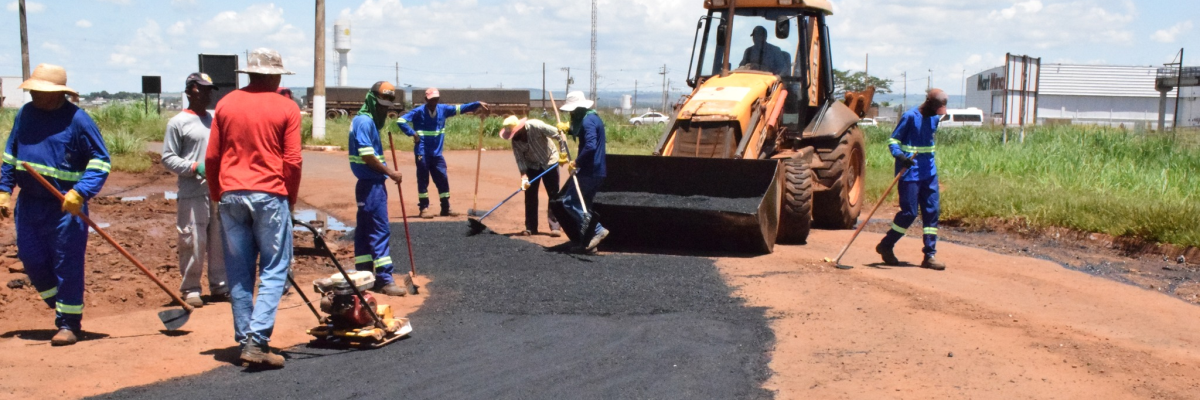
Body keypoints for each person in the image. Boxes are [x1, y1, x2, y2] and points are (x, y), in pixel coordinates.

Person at [205, 48, 302, 368]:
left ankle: (245, 338)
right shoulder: (287, 107)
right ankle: (257, 342)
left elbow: (212, 158)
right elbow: (293, 161)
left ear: (249, 74)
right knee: (274, 267)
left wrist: (218, 193)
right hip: (269, 195)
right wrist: (290, 198)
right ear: (275, 76)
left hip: (231, 195)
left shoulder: (225, 104)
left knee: (239, 271)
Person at [0, 64, 111, 346]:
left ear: (59, 94)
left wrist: (81, 192)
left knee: (67, 264)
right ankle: (59, 302)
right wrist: (3, 190)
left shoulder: (78, 120)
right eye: (33, 90)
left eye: (41, 91)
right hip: (29, 204)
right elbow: (11, 155)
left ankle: (69, 324)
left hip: (65, 206)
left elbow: (100, 161)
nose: (36, 95)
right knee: (32, 259)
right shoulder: (25, 114)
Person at [162, 73, 227, 308]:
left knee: (219, 239)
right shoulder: (178, 122)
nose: (208, 93)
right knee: (192, 239)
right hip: (192, 190)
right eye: (203, 89)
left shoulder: (215, 121)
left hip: (217, 190)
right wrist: (193, 166)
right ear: (190, 91)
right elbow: (168, 158)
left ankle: (220, 285)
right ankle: (191, 288)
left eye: (210, 89)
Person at [876, 89, 949, 271]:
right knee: (909, 213)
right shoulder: (910, 116)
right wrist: (900, 157)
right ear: (929, 103)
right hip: (909, 172)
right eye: (937, 109)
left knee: (932, 211)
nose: (937, 114)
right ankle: (887, 244)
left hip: (929, 172)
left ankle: (929, 255)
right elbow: (893, 141)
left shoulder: (934, 118)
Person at [348, 81, 405, 296]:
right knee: (380, 230)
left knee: (363, 231)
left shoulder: (364, 121)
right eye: (381, 104)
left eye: (387, 106)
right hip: (372, 185)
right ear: (371, 100)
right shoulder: (364, 122)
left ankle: (364, 275)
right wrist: (390, 172)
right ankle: (384, 279)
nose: (384, 109)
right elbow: (367, 155)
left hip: (366, 185)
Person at [396, 88, 489, 218]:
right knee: (423, 179)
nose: (434, 101)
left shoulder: (443, 110)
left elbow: (460, 108)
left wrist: (477, 104)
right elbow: (400, 121)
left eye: (436, 99)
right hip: (422, 151)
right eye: (431, 99)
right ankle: (424, 208)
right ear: (426, 99)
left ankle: (445, 207)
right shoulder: (418, 111)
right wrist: (412, 133)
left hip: (437, 153)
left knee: (442, 178)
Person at [557, 91, 608, 253]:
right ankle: (587, 243)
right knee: (584, 206)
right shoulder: (592, 118)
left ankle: (598, 229)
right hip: (597, 170)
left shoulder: (588, 122)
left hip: (589, 170)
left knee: (570, 202)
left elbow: (591, 145)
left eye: (572, 111)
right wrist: (568, 130)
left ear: (578, 108)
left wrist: (576, 162)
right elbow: (583, 133)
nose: (571, 114)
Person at [498, 115, 565, 237]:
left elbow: (558, 134)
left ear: (520, 128)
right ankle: (531, 227)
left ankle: (555, 226)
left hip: (549, 161)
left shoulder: (536, 126)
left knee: (553, 194)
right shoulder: (516, 141)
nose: (515, 137)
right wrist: (523, 176)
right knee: (530, 195)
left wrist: (562, 153)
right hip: (532, 165)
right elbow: (519, 159)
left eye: (515, 133)